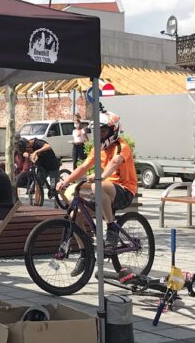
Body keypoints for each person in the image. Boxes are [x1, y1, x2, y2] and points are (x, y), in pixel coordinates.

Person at [58, 111, 137, 262]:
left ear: (113, 131)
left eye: (103, 131)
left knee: (97, 186)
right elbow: (83, 167)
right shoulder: (98, 149)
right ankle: (85, 254)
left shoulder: (121, 146)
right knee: (75, 216)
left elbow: (115, 163)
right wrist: (65, 181)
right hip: (105, 192)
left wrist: (100, 177)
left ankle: (111, 228)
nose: (100, 134)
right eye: (98, 131)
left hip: (124, 191)